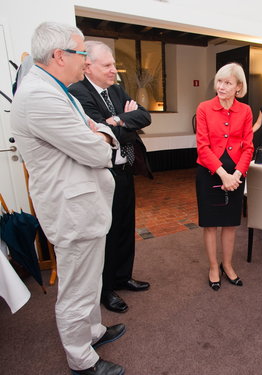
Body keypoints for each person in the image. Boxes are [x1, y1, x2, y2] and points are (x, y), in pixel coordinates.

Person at [10, 22, 125, 375]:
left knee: (89, 279)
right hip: (71, 209)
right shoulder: (40, 96)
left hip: (84, 204)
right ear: (60, 55)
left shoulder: (59, 90)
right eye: (81, 54)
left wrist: (100, 133)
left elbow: (98, 132)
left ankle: (92, 331)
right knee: (76, 288)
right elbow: (95, 148)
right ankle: (81, 359)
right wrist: (102, 136)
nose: (85, 61)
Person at [69, 41, 152, 314]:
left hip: (126, 169)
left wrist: (118, 121)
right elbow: (101, 134)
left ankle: (122, 276)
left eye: (114, 64)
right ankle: (105, 290)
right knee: (107, 232)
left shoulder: (114, 89)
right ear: (88, 66)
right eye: (107, 65)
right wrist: (122, 120)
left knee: (126, 226)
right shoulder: (78, 93)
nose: (114, 71)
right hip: (102, 173)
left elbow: (144, 116)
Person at [195, 63, 254, 291]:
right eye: (219, 81)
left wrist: (237, 174)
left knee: (230, 224)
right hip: (210, 172)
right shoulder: (204, 108)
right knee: (210, 224)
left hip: (236, 174)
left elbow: (248, 147)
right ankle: (212, 267)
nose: (221, 86)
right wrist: (223, 175)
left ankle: (227, 265)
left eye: (227, 83)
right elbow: (203, 146)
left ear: (239, 87)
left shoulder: (246, 111)